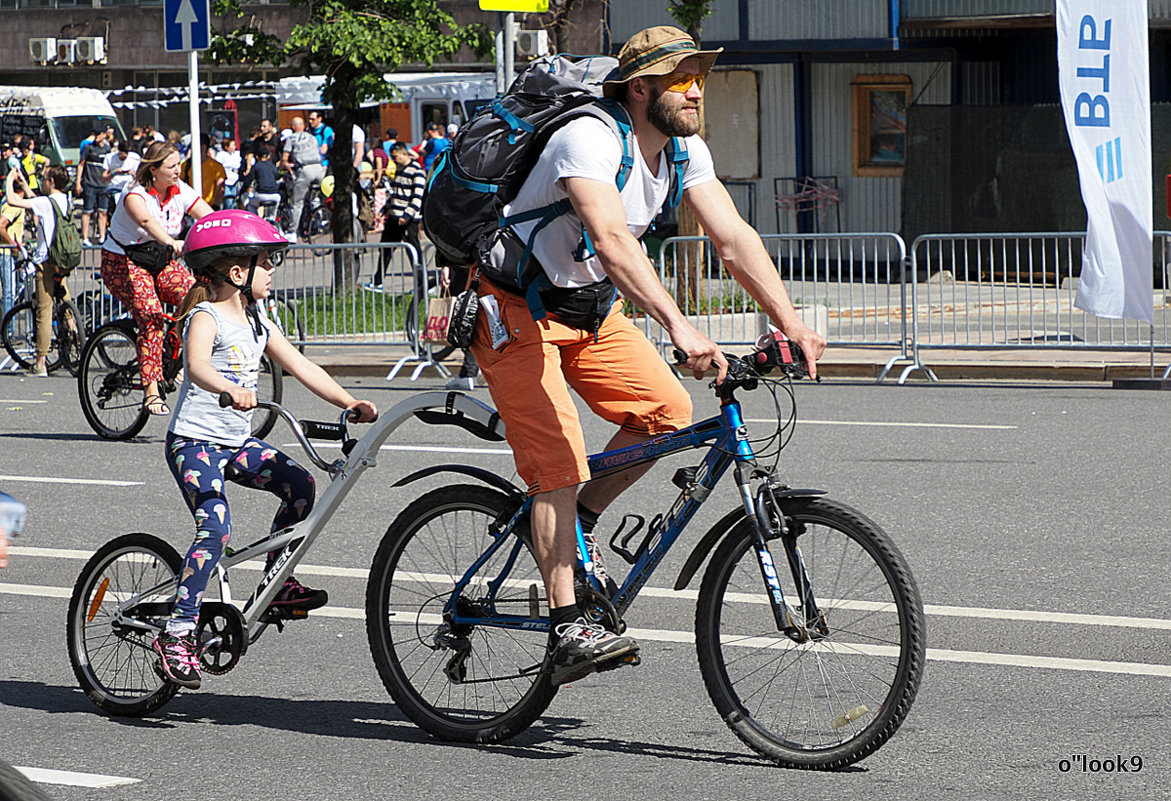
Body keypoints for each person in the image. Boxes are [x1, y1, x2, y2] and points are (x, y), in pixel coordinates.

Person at [466, 26, 827, 686]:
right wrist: (680, 328)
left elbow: (733, 239)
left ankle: (579, 523)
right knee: (558, 460)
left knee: (664, 412)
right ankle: (566, 622)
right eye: (681, 79)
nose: (695, 91)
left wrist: (790, 321)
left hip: (586, 308)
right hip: (511, 306)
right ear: (641, 89)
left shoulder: (684, 151)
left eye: (699, 78)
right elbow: (609, 239)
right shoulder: (591, 137)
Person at [152, 210, 378, 689]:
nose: (273, 273)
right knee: (215, 527)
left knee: (299, 484)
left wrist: (349, 401)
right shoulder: (206, 316)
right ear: (238, 272)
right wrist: (229, 388)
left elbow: (302, 367)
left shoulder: (260, 323)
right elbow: (196, 368)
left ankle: (276, 586)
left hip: (235, 443)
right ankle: (177, 630)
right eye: (267, 264)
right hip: (194, 443)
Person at [102, 141, 214, 415]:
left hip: (159, 261)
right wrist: (172, 242)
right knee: (151, 316)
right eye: (172, 166)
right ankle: (151, 390)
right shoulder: (134, 194)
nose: (178, 170)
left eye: (179, 164)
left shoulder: (180, 191)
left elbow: (207, 216)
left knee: (198, 296)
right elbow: (146, 223)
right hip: (124, 262)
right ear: (154, 170)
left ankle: (175, 356)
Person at [3, 165, 74, 377]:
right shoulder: (65, 201)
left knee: (44, 310)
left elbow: (13, 200)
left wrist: (9, 180)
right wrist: (23, 181)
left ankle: (41, 362)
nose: (42, 181)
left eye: (44, 178)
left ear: (51, 181)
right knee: (66, 301)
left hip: (46, 260)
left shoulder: (45, 202)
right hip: (64, 258)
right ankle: (76, 335)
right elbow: (38, 201)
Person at [372, 141, 424, 285]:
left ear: (403, 153)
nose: (394, 160)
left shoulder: (416, 170)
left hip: (408, 219)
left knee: (413, 251)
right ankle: (378, 281)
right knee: (385, 249)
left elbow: (418, 195)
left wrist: (407, 215)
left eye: (395, 157)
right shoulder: (399, 169)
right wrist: (385, 209)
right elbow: (395, 193)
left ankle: (421, 283)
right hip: (394, 216)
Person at [280, 116, 325, 240]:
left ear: (293, 127)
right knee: (315, 198)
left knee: (297, 203)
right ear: (304, 126)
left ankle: (292, 232)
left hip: (305, 170)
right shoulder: (313, 137)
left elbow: (284, 159)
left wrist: (286, 169)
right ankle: (320, 219)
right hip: (318, 168)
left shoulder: (291, 138)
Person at [76, 128, 112, 245]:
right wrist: (78, 182)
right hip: (90, 184)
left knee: (103, 212)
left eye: (99, 134)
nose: (96, 137)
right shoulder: (88, 148)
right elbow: (81, 165)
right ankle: (85, 238)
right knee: (87, 212)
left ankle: (102, 237)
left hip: (103, 185)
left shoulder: (107, 149)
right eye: (95, 134)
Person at [180, 133, 227, 209]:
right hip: (190, 208)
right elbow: (180, 184)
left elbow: (221, 188)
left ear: (203, 147)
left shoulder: (216, 167)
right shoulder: (186, 165)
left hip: (209, 207)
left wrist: (216, 205)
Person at [0, 191, 26, 318]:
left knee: (18, 287)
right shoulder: (14, 203)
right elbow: (1, 226)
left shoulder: (10, 200)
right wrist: (13, 247)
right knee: (9, 293)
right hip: (6, 254)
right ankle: (8, 331)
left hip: (8, 253)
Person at [100, 138, 140, 214]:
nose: (123, 158)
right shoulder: (110, 157)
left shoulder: (135, 157)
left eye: (126, 156)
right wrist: (114, 173)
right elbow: (104, 178)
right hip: (114, 188)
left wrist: (132, 173)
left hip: (129, 188)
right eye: (121, 156)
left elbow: (139, 176)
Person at [244, 147, 282, 221]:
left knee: (250, 205)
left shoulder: (256, 166)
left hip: (261, 195)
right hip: (275, 195)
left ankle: (256, 221)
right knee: (272, 214)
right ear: (268, 156)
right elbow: (277, 177)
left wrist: (242, 191)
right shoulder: (272, 166)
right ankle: (273, 221)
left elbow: (248, 180)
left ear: (257, 157)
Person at [215, 138, 242, 209]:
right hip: (226, 182)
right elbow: (219, 166)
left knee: (233, 201)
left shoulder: (235, 154)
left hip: (235, 183)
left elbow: (238, 164)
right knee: (228, 201)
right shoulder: (221, 155)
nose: (234, 147)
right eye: (232, 145)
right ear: (226, 146)